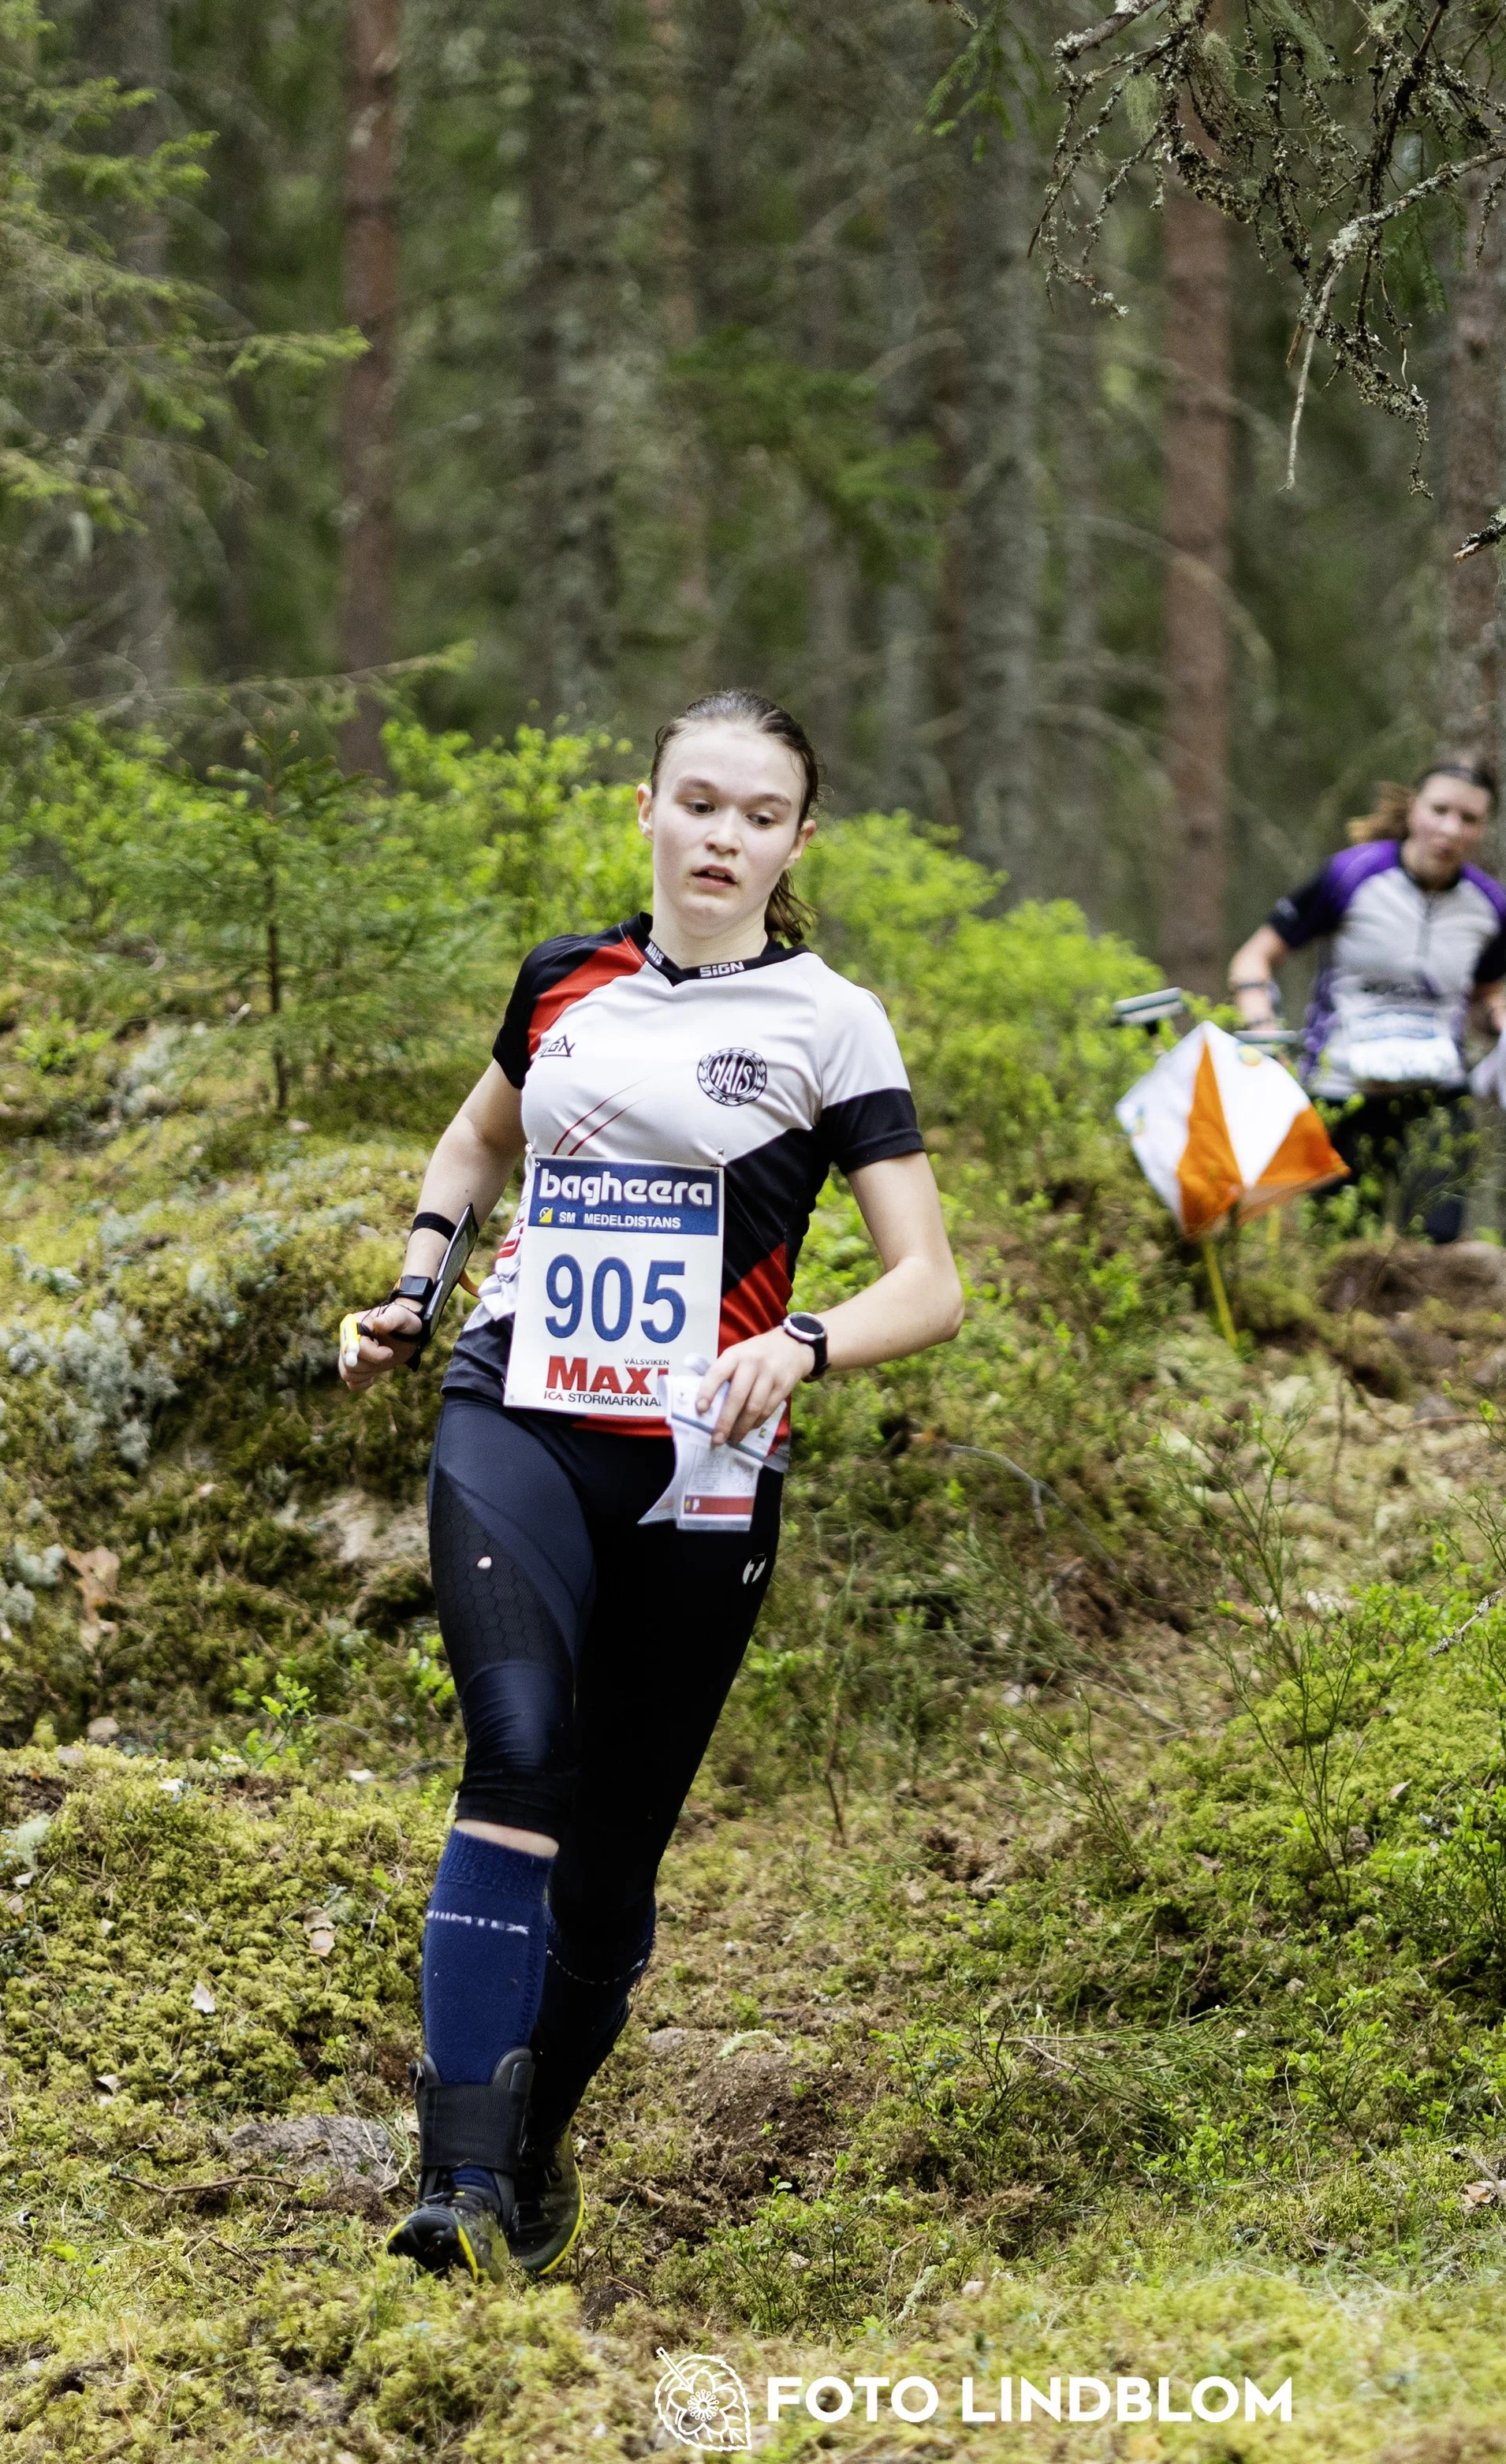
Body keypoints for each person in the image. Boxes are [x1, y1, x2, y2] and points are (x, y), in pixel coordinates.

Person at [340, 688, 963, 2281]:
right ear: (649, 808)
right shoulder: (565, 980)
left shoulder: (832, 1017)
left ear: (795, 841)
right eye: (698, 802)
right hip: (520, 1405)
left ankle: (531, 2150)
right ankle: (456, 2178)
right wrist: (420, 1285)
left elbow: (928, 1283)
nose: (723, 834)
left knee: (611, 1864)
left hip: (700, 1462)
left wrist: (810, 1342)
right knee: (520, 1746)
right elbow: (471, 1143)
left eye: (759, 814)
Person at [1224, 756, 1506, 1246]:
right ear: (1414, 811)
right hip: (1343, 1088)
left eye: (1469, 818)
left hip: (1436, 1092)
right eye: (1439, 810)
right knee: (1343, 1250)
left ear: (1483, 829)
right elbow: (1252, 959)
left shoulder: (1490, 905)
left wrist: (1505, 1023)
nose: (1450, 829)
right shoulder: (1352, 875)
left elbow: (1485, 998)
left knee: (1437, 1245)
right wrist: (1265, 1033)